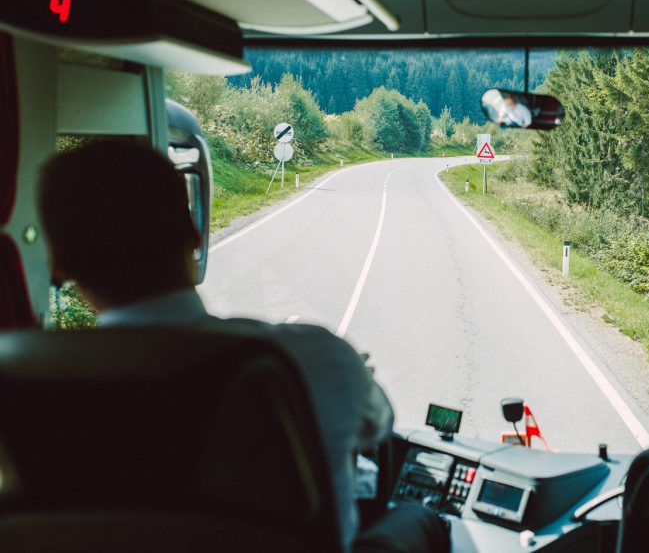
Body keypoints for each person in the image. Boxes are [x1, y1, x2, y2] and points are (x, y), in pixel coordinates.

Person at [36, 139, 448, 553]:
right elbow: (377, 427)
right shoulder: (317, 358)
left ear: (57, 263)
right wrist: (349, 373)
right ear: (194, 233)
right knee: (422, 516)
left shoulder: (27, 379)